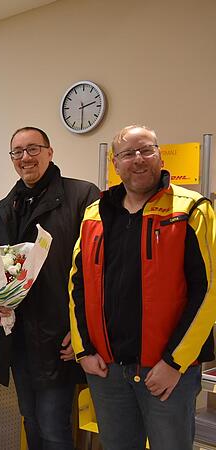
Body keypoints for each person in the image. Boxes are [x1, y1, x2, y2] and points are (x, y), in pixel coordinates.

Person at [69, 125, 216, 449]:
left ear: (160, 155)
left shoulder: (191, 210)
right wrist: (84, 352)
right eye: (128, 153)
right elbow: (77, 285)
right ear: (115, 162)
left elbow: (208, 291)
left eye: (146, 150)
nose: (138, 159)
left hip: (166, 374)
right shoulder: (96, 213)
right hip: (107, 371)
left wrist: (174, 362)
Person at [0, 126, 99, 450]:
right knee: (31, 423)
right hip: (18, 339)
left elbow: (98, 272)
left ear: (50, 152)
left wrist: (81, 331)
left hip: (59, 339)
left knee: (54, 428)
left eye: (33, 149)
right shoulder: (4, 207)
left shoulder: (83, 196)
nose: (25, 158)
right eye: (17, 152)